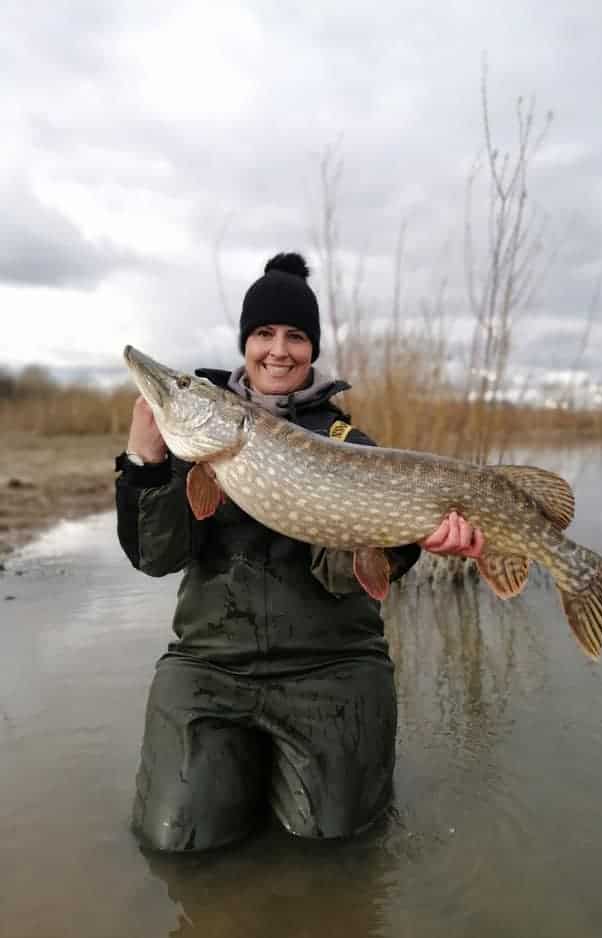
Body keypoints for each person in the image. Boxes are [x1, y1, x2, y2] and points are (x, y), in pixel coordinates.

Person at [115, 252, 484, 853]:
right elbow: (155, 559)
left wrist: (407, 543)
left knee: (334, 848)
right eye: (263, 334)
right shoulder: (196, 437)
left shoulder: (347, 442)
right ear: (245, 343)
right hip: (211, 664)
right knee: (176, 844)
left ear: (312, 349)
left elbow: (347, 576)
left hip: (331, 667)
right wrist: (142, 465)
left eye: (296, 336)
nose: (278, 350)